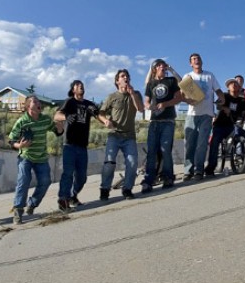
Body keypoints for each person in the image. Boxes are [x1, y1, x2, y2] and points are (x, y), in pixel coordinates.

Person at [8, 95, 64, 224]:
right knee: (23, 181)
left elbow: (57, 132)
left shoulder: (45, 119)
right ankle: (18, 210)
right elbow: (11, 140)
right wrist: (20, 145)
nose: (39, 103)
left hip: (41, 157)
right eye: (35, 101)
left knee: (46, 181)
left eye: (39, 101)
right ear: (28, 106)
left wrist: (60, 125)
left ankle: (32, 203)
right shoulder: (22, 121)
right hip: (25, 157)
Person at [54, 80, 107, 212]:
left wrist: (105, 121)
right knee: (68, 173)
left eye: (82, 85)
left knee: (82, 177)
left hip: (82, 146)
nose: (81, 86)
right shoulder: (69, 102)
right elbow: (56, 115)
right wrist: (65, 116)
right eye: (77, 85)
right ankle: (63, 199)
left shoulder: (89, 104)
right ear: (73, 89)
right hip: (69, 145)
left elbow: (98, 114)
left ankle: (72, 195)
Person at [98, 69, 144, 201]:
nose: (126, 78)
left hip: (129, 136)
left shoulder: (136, 94)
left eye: (127, 76)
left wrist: (132, 94)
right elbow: (100, 113)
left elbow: (140, 109)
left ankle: (127, 189)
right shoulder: (112, 97)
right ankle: (105, 189)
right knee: (109, 163)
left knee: (132, 163)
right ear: (117, 81)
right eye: (122, 76)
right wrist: (106, 120)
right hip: (114, 135)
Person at [142, 59, 183, 193]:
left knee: (166, 150)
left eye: (163, 65)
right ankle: (148, 180)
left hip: (168, 121)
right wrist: (149, 106)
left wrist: (165, 104)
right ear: (154, 68)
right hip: (154, 121)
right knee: (152, 151)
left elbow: (178, 98)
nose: (162, 67)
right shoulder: (151, 83)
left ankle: (168, 177)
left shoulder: (171, 81)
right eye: (159, 65)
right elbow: (146, 101)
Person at [182, 53, 224, 181]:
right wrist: (188, 101)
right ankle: (187, 171)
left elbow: (218, 90)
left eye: (198, 58)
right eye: (194, 59)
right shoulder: (187, 76)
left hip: (207, 114)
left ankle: (198, 170)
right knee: (189, 144)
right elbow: (182, 95)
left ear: (202, 61)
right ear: (190, 63)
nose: (196, 60)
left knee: (202, 144)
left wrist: (221, 98)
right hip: (192, 114)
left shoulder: (209, 75)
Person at [205, 79, 245, 175]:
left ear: (239, 87)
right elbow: (217, 105)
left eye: (235, 83)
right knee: (215, 142)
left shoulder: (241, 100)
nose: (233, 85)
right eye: (231, 84)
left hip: (232, 126)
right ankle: (211, 167)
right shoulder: (224, 96)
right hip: (220, 125)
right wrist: (224, 108)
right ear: (228, 87)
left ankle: (244, 160)